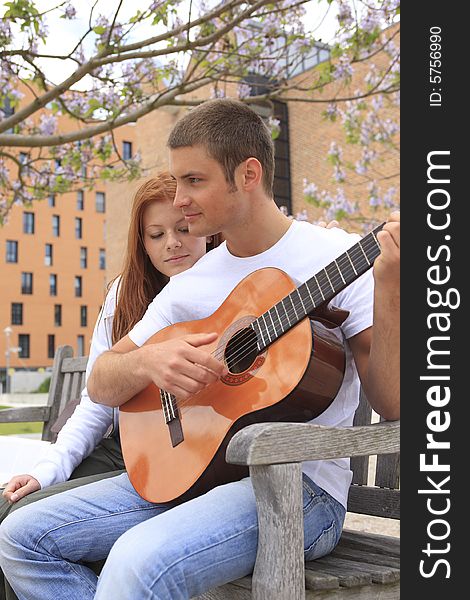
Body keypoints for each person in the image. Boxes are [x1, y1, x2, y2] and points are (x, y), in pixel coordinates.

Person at [0, 99, 399, 600]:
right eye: (178, 180)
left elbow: (395, 404)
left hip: (297, 491)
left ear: (248, 174)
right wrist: (148, 361)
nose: (180, 198)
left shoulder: (338, 257)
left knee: (136, 562)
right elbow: (102, 379)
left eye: (194, 180)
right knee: (20, 537)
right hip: (193, 475)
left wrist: (391, 291)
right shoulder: (193, 283)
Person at [0, 173, 214, 600]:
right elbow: (96, 402)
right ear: (142, 243)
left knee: (23, 527)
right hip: (120, 447)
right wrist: (49, 471)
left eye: (183, 229)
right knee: (9, 505)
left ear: (207, 227)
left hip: (183, 456)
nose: (171, 242)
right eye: (156, 234)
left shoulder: (228, 288)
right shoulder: (124, 294)